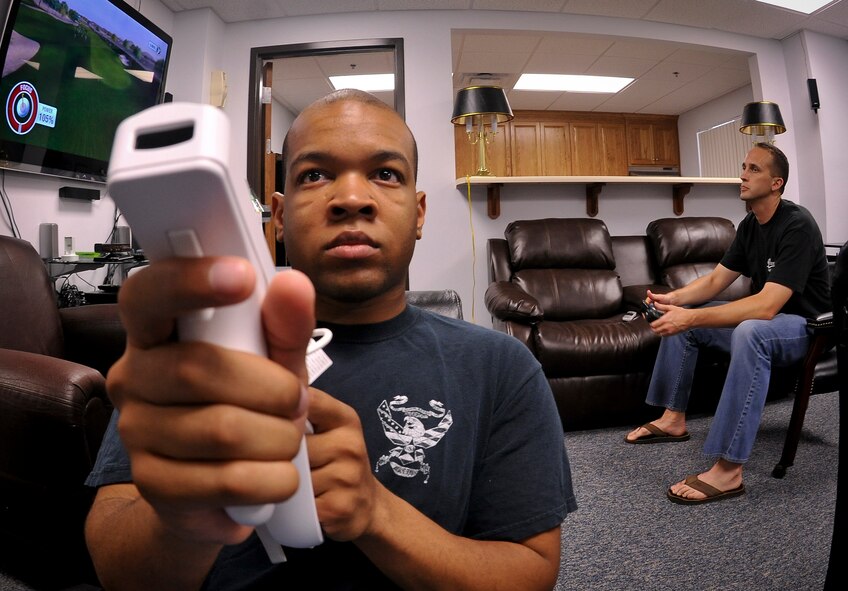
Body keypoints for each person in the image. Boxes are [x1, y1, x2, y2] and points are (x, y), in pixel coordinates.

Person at [84, 89, 576, 590]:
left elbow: (531, 573)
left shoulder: (502, 367)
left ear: (420, 212)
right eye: (315, 175)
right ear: (278, 214)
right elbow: (116, 569)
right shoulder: (198, 357)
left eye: (386, 174)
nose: (351, 199)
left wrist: (376, 513)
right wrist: (184, 516)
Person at [624, 141, 831, 505]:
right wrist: (673, 301)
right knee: (687, 321)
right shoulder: (750, 224)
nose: (742, 175)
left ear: (776, 183)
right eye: (743, 166)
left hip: (806, 328)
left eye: (753, 169)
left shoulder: (797, 225)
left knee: (752, 331)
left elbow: (766, 307)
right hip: (774, 321)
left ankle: (729, 470)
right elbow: (716, 281)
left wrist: (693, 315)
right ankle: (673, 418)